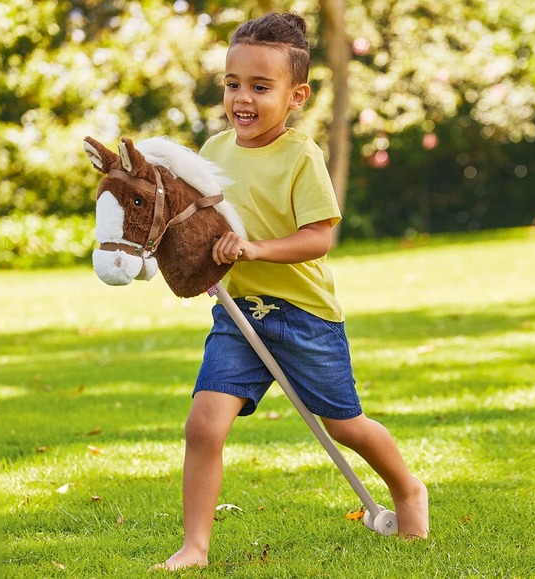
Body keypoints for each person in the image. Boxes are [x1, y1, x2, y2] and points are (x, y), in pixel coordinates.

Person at [154, 12, 429, 571]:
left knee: (343, 425)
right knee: (203, 424)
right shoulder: (214, 149)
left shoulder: (302, 156)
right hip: (240, 314)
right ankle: (195, 548)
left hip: (304, 315)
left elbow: (319, 237)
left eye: (260, 87)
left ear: (296, 95)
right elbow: (200, 225)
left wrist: (254, 249)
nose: (242, 99)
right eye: (233, 84)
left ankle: (407, 491)